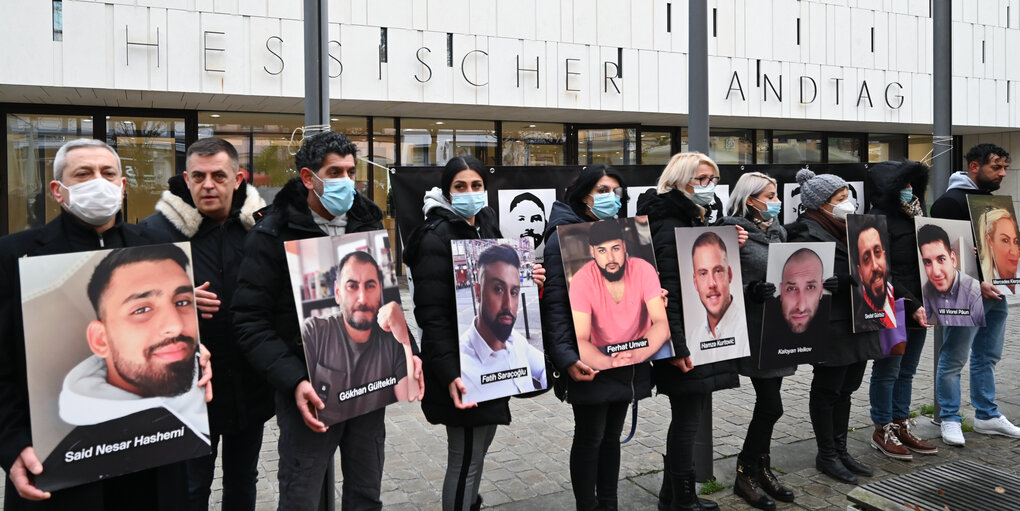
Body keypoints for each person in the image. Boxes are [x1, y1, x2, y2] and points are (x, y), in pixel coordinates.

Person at [0, 138, 210, 511]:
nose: (98, 181)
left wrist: (196, 355)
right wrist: (11, 445)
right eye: (83, 174)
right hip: (60, 466)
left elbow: (177, 326)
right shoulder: (15, 255)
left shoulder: (157, 247)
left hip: (154, 461)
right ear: (58, 190)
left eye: (108, 172)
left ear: (122, 185)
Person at [233, 131, 422, 511]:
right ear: (308, 177)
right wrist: (293, 380)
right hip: (311, 392)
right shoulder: (271, 234)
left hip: (369, 386)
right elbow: (250, 320)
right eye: (334, 172)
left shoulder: (367, 220)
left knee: (366, 494)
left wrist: (408, 350)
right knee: (302, 496)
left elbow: (387, 298)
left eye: (351, 172)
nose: (346, 182)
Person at [139, 136, 273, 511]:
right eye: (198, 176)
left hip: (250, 381)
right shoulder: (155, 231)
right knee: (191, 486)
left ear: (239, 178)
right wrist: (176, 300)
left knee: (243, 479)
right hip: (188, 387)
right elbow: (131, 308)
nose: (208, 185)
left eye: (218, 175)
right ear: (186, 177)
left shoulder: (262, 228)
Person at [404, 156, 544, 511]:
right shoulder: (435, 238)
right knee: (464, 459)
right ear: (447, 191)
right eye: (460, 187)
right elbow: (431, 316)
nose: (470, 193)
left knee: (478, 453)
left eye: (476, 185)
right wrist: (450, 373)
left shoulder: (485, 224)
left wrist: (529, 281)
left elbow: (503, 284)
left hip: (491, 368)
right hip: (461, 367)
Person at [44, 245, 211, 491]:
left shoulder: (192, 430)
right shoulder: (67, 463)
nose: (175, 327)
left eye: (182, 301)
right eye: (142, 309)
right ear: (100, 339)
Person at [636, 153, 745, 511]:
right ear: (679, 180)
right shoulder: (668, 224)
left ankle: (673, 495)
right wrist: (679, 347)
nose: (707, 186)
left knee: (689, 417)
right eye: (700, 179)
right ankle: (682, 498)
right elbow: (669, 292)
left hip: (698, 338)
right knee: (687, 421)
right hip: (685, 342)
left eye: (711, 179)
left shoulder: (693, 219)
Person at [542, 164, 652, 511]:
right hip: (587, 355)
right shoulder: (563, 235)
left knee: (612, 438)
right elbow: (556, 305)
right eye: (602, 191)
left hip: (625, 353)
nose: (611, 199)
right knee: (590, 437)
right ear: (583, 193)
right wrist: (565, 357)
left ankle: (609, 503)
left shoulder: (627, 235)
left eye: (617, 192)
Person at [785, 168, 881, 485]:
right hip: (831, 324)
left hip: (859, 320)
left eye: (848, 196)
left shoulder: (853, 230)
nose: (848, 203)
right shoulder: (803, 233)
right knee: (828, 390)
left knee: (848, 389)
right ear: (821, 204)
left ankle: (840, 449)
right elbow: (795, 279)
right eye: (840, 199)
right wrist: (829, 284)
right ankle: (826, 454)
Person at [930, 143, 1020, 446]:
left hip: (996, 292)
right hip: (964, 294)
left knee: (988, 356)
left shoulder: (992, 202)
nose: (1002, 173)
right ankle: (950, 418)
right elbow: (941, 256)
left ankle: (987, 415)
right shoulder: (949, 203)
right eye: (996, 167)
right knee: (954, 358)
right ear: (974, 167)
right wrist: (974, 279)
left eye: (1004, 167)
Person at [721, 172, 796, 510]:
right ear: (750, 199)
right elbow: (716, 279)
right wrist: (750, 290)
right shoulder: (731, 231)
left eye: (777, 193)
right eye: (770, 194)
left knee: (772, 401)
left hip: (780, 327)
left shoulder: (780, 231)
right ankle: (744, 471)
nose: (776, 200)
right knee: (772, 404)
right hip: (751, 328)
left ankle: (760, 468)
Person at [865, 160, 937, 462]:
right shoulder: (875, 221)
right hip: (895, 306)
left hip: (921, 305)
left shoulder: (917, 216)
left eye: (913, 185)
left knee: (907, 371)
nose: (910, 191)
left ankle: (900, 422)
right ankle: (883, 428)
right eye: (904, 185)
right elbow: (880, 272)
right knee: (888, 370)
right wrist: (914, 302)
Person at [303, 251, 414, 424]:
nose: (362, 298)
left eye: (370, 286)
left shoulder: (391, 336)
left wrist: (405, 339)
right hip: (317, 430)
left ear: (380, 292)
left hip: (368, 427)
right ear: (338, 293)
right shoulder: (314, 332)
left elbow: (411, 393)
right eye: (352, 286)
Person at [567, 218, 672, 367]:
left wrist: (635, 355)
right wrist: (611, 363)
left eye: (615, 248)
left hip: (643, 341)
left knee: (666, 351)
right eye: (602, 250)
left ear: (624, 247)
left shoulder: (644, 269)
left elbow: (662, 324)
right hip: (604, 349)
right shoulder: (581, 280)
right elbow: (580, 339)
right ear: (592, 251)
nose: (610, 259)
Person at [459, 244, 547, 403]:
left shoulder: (516, 340)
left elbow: (543, 369)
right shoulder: (463, 364)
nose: (508, 304)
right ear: (478, 292)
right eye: (498, 289)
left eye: (514, 292)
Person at [917, 224, 985, 326]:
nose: (936, 272)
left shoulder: (974, 294)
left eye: (941, 259)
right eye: (927, 262)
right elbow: (925, 321)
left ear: (953, 259)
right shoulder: (927, 290)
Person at [686, 232, 744, 346]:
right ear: (695, 282)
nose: (712, 283)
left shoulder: (746, 334)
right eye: (703, 274)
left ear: (730, 275)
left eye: (718, 271)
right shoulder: (693, 341)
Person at [850, 216, 897, 330]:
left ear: (884, 256)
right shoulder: (862, 323)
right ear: (860, 272)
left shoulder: (897, 296)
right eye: (866, 259)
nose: (875, 266)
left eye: (877, 252)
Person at [975, 206, 1019, 294]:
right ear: (989, 240)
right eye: (1005, 240)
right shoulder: (981, 278)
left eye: (1015, 241)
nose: (1014, 252)